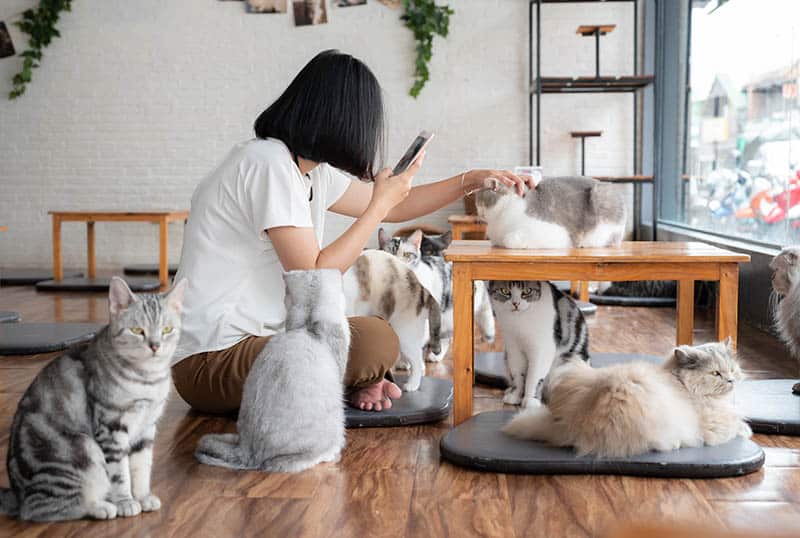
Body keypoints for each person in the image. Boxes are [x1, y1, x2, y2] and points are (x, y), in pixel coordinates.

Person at [171, 50, 532, 414]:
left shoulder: (308, 171)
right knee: (376, 343)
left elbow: (399, 207)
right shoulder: (267, 164)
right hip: (209, 362)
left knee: (371, 337)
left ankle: (350, 383)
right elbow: (314, 274)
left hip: (265, 343)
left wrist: (468, 181)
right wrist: (379, 205)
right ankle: (348, 381)